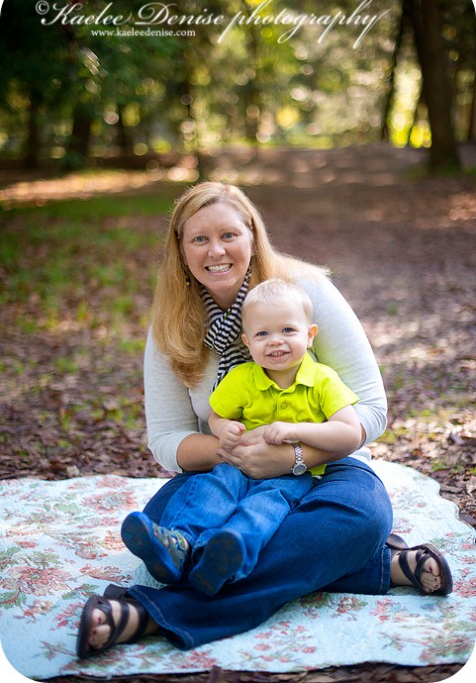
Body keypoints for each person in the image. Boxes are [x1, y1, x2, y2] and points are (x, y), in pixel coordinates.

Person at [77, 181, 453, 659]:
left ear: (253, 237)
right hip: (225, 470)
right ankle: (379, 566)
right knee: (158, 524)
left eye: (230, 235)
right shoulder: (173, 322)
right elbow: (167, 439)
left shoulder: (306, 293)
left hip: (325, 463)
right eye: (199, 239)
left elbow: (372, 409)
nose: (216, 250)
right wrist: (233, 450)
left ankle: (151, 613)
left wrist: (291, 454)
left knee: (361, 518)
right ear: (180, 249)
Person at [121, 279, 362, 597]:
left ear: (310, 334)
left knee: (264, 506)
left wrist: (296, 431)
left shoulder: (322, 380)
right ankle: (179, 544)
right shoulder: (242, 378)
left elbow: (349, 433)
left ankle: (228, 553)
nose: (275, 342)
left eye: (288, 330)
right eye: (263, 334)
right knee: (212, 489)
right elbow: (215, 415)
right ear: (248, 342)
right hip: (239, 464)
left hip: (292, 474)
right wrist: (223, 430)